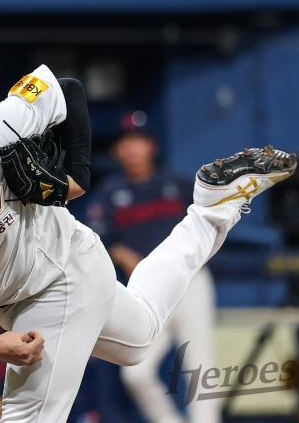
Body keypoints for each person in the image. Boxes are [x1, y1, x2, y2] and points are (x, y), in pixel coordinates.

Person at [0, 45, 297, 422]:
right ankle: (212, 209)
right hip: (19, 298)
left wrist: (78, 177)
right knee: (143, 336)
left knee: (25, 417)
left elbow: (63, 88)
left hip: (58, 277)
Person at [85, 124, 220, 423]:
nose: (132, 149)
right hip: (147, 291)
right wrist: (121, 253)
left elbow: (208, 225)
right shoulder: (111, 192)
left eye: (139, 141)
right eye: (125, 142)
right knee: (136, 373)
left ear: (152, 146)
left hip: (189, 282)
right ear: (117, 150)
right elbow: (95, 241)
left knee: (199, 366)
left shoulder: (179, 184)